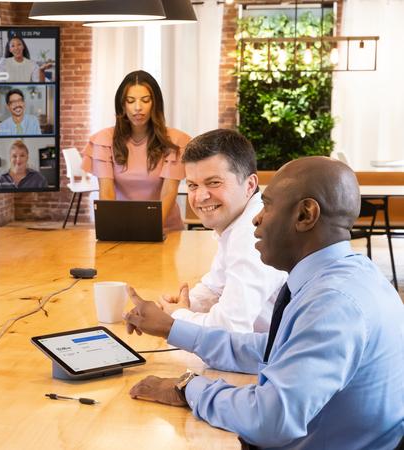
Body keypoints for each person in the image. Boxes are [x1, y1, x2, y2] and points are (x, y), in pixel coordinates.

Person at [124, 156, 404, 449]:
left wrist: (187, 388)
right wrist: (172, 328)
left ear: (305, 215)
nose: (256, 218)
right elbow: (273, 350)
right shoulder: (348, 274)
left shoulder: (332, 303)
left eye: (267, 206)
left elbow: (270, 420)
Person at [156, 129, 287, 332]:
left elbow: (230, 328)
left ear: (249, 184)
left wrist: (176, 316)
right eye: (192, 185)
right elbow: (216, 287)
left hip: (275, 358)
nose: (200, 197)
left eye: (214, 183)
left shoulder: (254, 234)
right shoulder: (237, 222)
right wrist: (187, 303)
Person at [82, 70, 192, 232]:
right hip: (121, 228)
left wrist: (150, 231)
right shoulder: (103, 140)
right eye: (131, 101)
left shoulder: (175, 141)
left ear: (155, 104)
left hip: (165, 229)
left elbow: (169, 193)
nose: (138, 108)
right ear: (122, 104)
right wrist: (112, 231)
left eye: (145, 100)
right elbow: (106, 193)